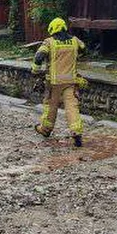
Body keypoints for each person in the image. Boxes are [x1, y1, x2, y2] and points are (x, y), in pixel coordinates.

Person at [32, 17, 86, 147]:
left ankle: (45, 130)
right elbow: (84, 48)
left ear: (53, 29)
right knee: (72, 107)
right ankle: (76, 132)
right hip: (71, 82)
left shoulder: (49, 42)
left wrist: (35, 70)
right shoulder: (74, 41)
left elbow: (39, 56)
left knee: (50, 108)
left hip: (54, 83)